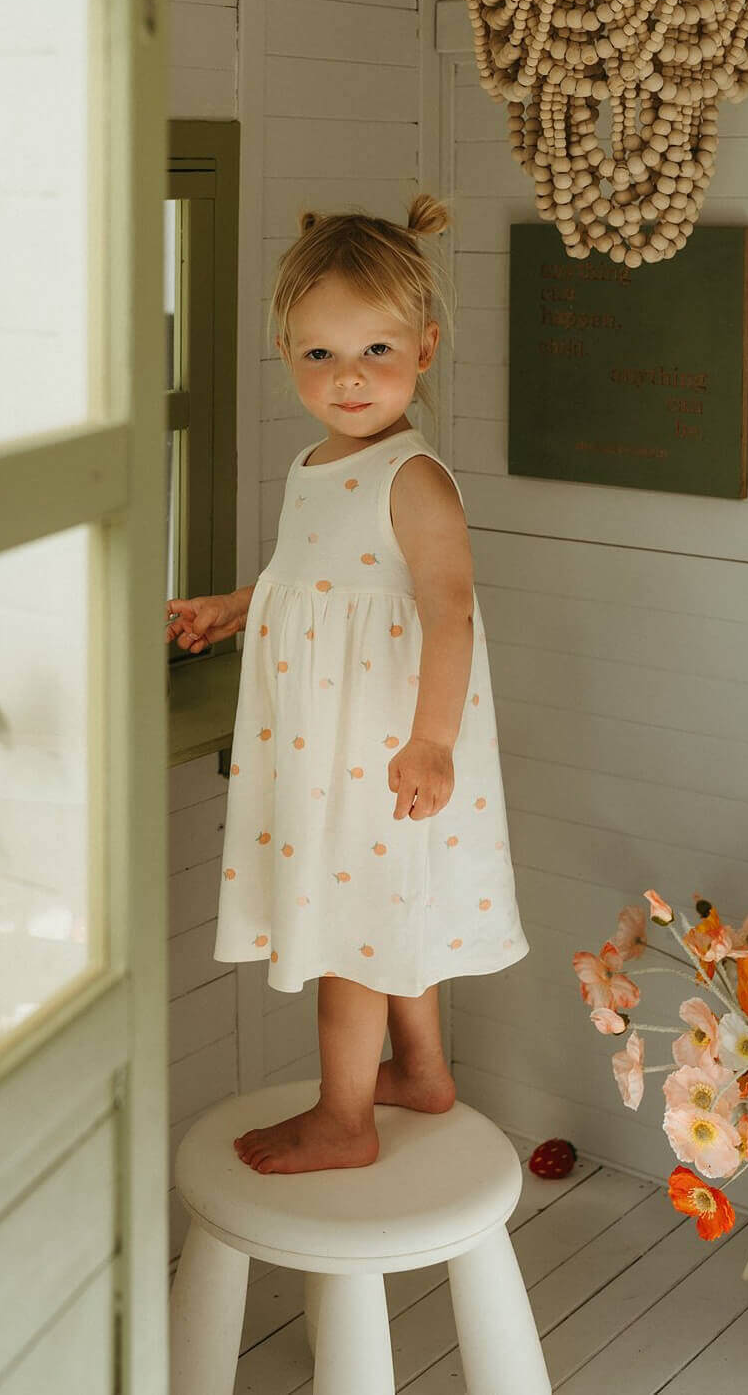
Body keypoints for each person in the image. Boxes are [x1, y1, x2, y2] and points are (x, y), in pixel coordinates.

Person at [164, 196, 529, 1175]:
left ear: (424, 346)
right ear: (286, 351)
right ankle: (422, 1071)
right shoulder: (318, 463)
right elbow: (316, 581)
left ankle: (344, 1115)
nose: (348, 376)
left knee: (348, 932)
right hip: (330, 745)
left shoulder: (413, 479)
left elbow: (448, 611)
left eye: (375, 350)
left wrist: (432, 741)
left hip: (382, 748)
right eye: (319, 353)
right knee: (382, 908)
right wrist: (239, 606)